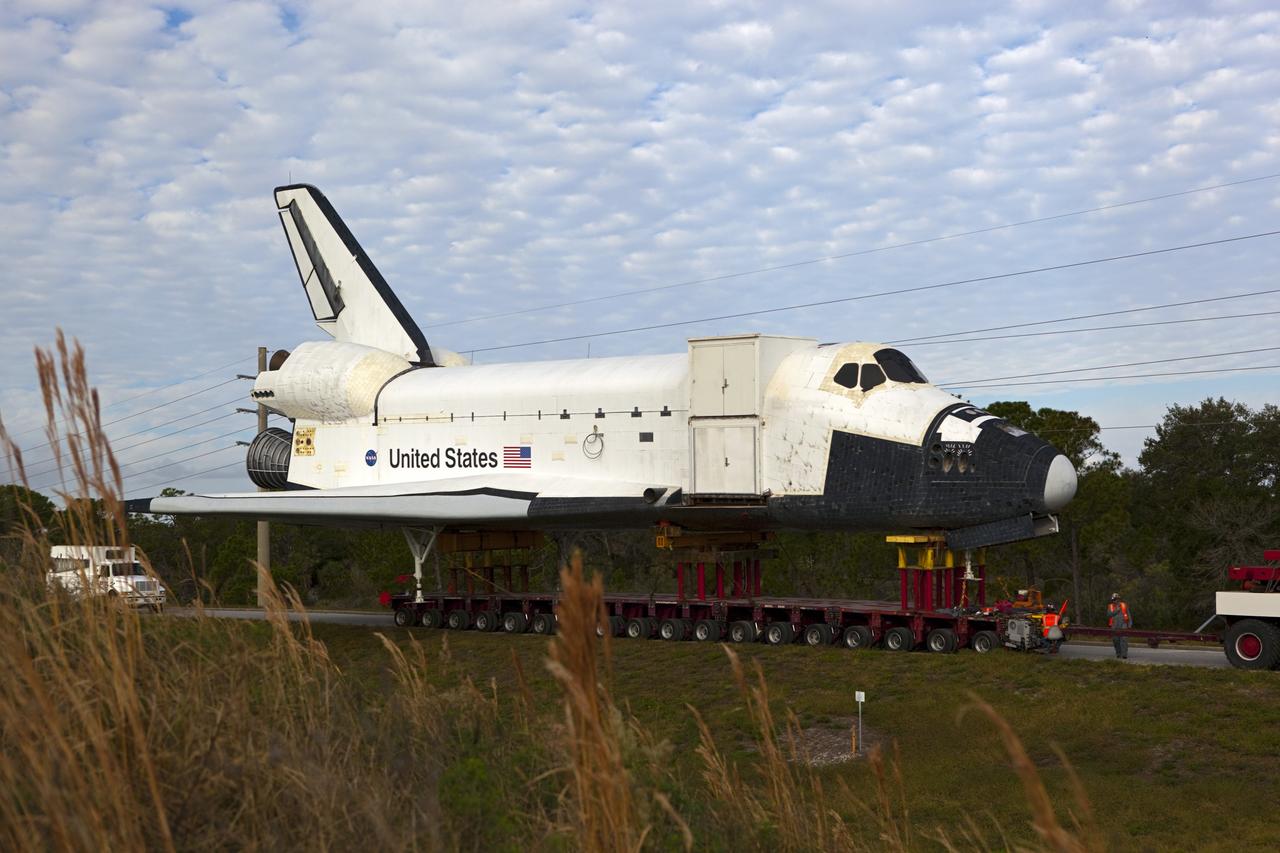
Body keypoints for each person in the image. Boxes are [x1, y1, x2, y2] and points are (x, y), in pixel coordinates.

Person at [1106, 593, 1131, 659]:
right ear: (1112, 600)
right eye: (1114, 600)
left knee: (1124, 639)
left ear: (1119, 599)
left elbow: (1128, 614)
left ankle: (1124, 654)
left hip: (1123, 624)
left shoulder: (1124, 605)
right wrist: (1116, 611)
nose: (1115, 601)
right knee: (1115, 640)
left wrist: (1130, 623)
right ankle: (1118, 653)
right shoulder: (1110, 606)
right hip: (1114, 625)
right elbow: (1108, 615)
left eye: (1116, 599)